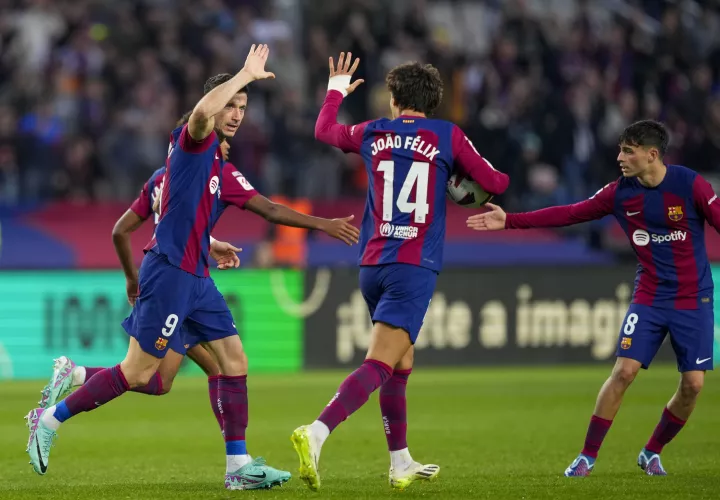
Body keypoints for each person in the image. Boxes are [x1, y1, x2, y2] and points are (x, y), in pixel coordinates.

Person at [26, 44, 295, 491]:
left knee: (206, 368)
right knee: (141, 373)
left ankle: (238, 465)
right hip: (171, 275)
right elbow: (147, 225)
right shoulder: (197, 150)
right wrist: (246, 74)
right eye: (231, 112)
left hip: (189, 275)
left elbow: (166, 219)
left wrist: (208, 243)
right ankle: (51, 417)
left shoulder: (170, 172)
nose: (233, 128)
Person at [38, 113, 359, 430]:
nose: (228, 144)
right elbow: (269, 210)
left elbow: (159, 227)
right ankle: (236, 458)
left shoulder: (162, 178)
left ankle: (77, 375)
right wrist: (323, 224)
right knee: (176, 369)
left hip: (177, 276)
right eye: (222, 137)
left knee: (163, 381)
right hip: (176, 280)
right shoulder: (217, 173)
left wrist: (205, 245)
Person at [291, 52, 509, 491]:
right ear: (432, 101)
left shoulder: (375, 131)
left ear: (393, 98)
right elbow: (498, 183)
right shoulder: (447, 135)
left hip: (372, 262)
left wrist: (335, 90)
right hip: (414, 265)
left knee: (401, 360)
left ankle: (401, 461)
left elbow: (324, 131)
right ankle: (317, 431)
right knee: (379, 361)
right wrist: (457, 181)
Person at [467, 120, 720, 477]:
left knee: (693, 385)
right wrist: (510, 220)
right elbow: (569, 213)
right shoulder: (619, 193)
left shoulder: (689, 184)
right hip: (650, 296)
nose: (619, 157)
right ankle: (587, 456)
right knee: (623, 372)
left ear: (651, 155)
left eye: (627, 151)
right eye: (620, 149)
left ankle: (652, 451)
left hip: (694, 299)